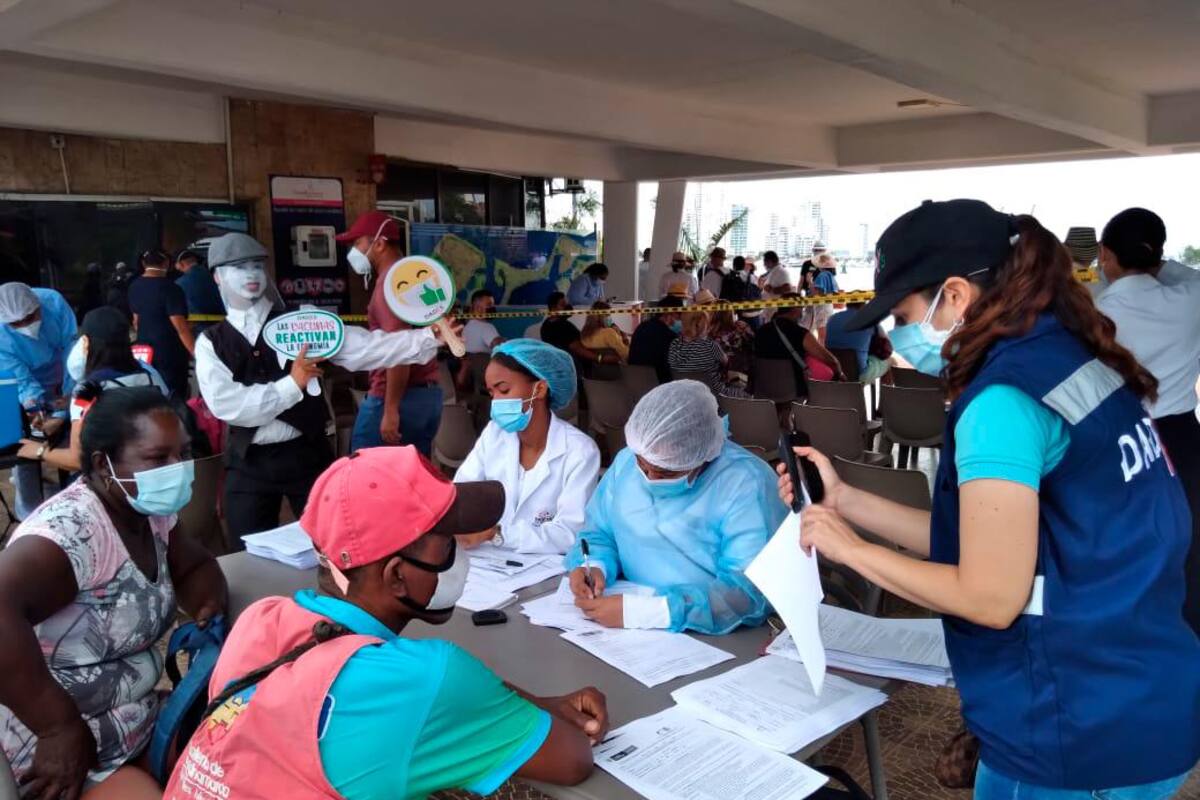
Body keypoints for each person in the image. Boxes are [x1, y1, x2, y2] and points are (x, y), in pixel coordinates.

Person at [781, 199, 1200, 799]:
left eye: (902, 314)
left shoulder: (1003, 402)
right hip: (1138, 684)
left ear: (955, 296)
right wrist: (845, 501)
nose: (898, 336)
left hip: (1074, 724)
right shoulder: (1066, 355)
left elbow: (989, 595)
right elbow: (987, 540)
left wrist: (849, 551)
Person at [162, 446, 609, 800]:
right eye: (447, 544)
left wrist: (536, 703)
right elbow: (572, 758)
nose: (460, 554)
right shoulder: (429, 675)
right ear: (396, 575)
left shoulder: (260, 618)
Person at [0, 386, 227, 799]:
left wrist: (208, 611)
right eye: (158, 458)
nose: (177, 469)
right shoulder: (72, 533)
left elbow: (195, 565)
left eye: (183, 453)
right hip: (58, 742)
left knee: (237, 762)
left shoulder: (151, 514)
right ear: (103, 464)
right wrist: (56, 727)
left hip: (133, 718)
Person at [194, 233, 458, 542]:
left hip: (306, 455)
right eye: (239, 267)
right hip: (248, 462)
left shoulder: (300, 321)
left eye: (256, 266)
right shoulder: (211, 342)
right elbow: (229, 405)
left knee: (330, 543)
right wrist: (291, 385)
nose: (250, 274)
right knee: (247, 547)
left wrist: (427, 337)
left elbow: (363, 348)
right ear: (217, 276)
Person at [565, 381, 786, 633]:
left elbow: (746, 591)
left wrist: (652, 612)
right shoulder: (627, 462)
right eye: (642, 465)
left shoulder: (746, 483)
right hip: (621, 615)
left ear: (701, 454)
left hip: (712, 633)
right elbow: (599, 531)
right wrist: (595, 565)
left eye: (666, 472)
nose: (649, 479)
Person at [1097, 207, 1200, 633]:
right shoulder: (1190, 298)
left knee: (1126, 544)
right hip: (1183, 437)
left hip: (1121, 438)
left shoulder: (1096, 312)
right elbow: (1184, 274)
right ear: (1158, 254)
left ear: (1104, 254)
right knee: (1191, 543)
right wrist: (1156, 263)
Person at [454, 340, 600, 554]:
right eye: (491, 393)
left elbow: (570, 533)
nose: (496, 402)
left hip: (547, 566)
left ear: (539, 389)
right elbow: (462, 492)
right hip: (487, 560)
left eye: (504, 390)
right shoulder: (494, 434)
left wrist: (496, 534)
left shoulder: (580, 451)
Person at [337, 212, 443, 456]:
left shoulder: (391, 284)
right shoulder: (414, 280)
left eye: (357, 243)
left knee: (365, 471)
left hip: (396, 398)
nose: (353, 251)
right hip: (427, 395)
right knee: (411, 473)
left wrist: (390, 409)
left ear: (379, 244)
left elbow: (398, 350)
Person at [18, 307, 171, 472]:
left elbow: (77, 460)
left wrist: (39, 451)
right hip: (157, 469)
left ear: (85, 342)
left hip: (115, 479)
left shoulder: (87, 390)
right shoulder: (151, 374)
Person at [0, 281, 77, 520]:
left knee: (72, 439)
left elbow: (72, 353)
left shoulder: (53, 302)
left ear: (38, 306)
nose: (25, 326)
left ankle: (73, 499)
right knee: (25, 446)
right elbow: (21, 379)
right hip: (29, 377)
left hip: (62, 371)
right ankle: (29, 515)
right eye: (16, 324)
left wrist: (67, 403)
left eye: (30, 317)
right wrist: (37, 411)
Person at [127, 249, 194, 397]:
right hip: (170, 352)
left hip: (145, 351)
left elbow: (136, 321)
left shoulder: (134, 286)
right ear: (166, 264)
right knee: (173, 395)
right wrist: (196, 352)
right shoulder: (171, 289)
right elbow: (181, 328)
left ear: (144, 264)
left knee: (151, 392)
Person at [753, 294, 844, 389]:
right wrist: (840, 374)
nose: (802, 312)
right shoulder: (800, 333)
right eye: (801, 308)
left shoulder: (760, 331)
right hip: (792, 391)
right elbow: (831, 361)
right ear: (795, 309)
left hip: (763, 389)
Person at [668, 309, 748, 398]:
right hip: (716, 395)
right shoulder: (710, 345)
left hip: (685, 396)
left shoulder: (674, 345)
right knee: (747, 394)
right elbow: (727, 363)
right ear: (700, 326)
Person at [539, 292, 618, 377]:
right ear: (554, 308)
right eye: (563, 304)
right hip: (582, 367)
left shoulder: (546, 324)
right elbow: (578, 349)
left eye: (567, 303)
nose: (567, 306)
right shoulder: (562, 326)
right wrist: (601, 358)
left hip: (566, 367)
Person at [826, 303, 892, 384]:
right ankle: (885, 392)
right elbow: (888, 346)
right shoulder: (869, 319)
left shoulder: (832, 318)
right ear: (863, 305)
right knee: (890, 361)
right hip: (859, 373)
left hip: (834, 370)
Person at [627, 295, 685, 383]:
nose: (680, 321)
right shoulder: (669, 337)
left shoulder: (641, 327)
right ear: (668, 314)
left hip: (635, 383)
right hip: (660, 385)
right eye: (679, 316)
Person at [174, 249, 225, 335]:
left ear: (181, 264)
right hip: (224, 324)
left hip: (199, 328)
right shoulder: (215, 275)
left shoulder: (179, 283)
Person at [708, 308, 754, 375]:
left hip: (718, 372)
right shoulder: (741, 326)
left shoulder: (710, 330)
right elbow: (753, 344)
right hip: (741, 370)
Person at [462, 290, 504, 354]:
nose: (493, 308)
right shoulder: (486, 327)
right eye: (489, 305)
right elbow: (499, 347)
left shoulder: (467, 326)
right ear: (478, 308)